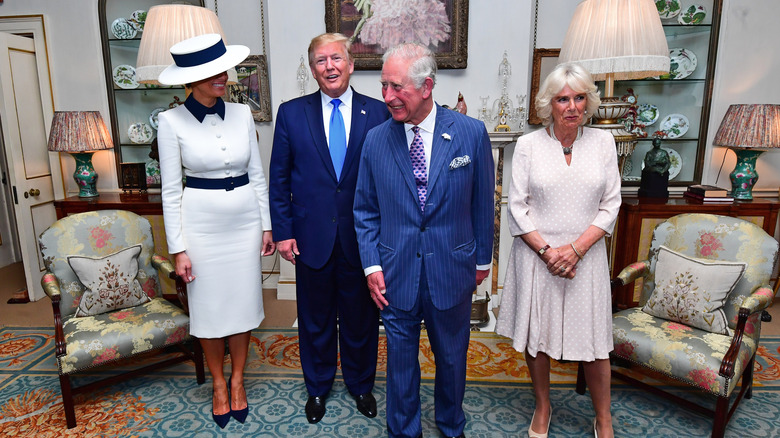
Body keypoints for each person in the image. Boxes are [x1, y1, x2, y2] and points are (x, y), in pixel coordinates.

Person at [354, 43, 495, 438]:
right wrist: (372, 265)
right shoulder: (376, 140)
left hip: (452, 267)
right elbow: (364, 210)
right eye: (384, 86)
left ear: (427, 86)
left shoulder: (470, 134)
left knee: (451, 359)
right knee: (400, 362)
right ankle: (404, 430)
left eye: (397, 87)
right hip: (395, 270)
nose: (387, 97)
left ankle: (451, 426)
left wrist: (482, 260)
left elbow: (483, 202)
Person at [494, 62, 621, 438]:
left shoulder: (604, 143)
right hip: (539, 258)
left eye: (579, 98)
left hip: (587, 256)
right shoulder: (529, 145)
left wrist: (576, 249)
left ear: (589, 102)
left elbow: (611, 203)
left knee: (597, 345)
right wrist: (550, 252)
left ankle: (604, 417)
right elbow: (517, 205)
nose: (571, 106)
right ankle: (543, 406)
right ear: (549, 103)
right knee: (539, 337)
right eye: (563, 99)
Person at [268, 33, 389, 424]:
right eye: (320, 61)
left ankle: (360, 385)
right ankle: (317, 388)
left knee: (361, 318)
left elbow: (389, 180)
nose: (330, 67)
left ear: (351, 64)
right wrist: (283, 231)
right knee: (315, 318)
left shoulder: (380, 113)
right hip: (310, 238)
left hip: (362, 239)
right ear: (312, 69)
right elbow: (279, 178)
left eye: (336, 58)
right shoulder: (291, 113)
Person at [157, 33, 275, 429]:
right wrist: (179, 249)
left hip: (244, 222)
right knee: (209, 308)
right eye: (212, 73)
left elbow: (257, 176)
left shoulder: (242, 114)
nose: (223, 76)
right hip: (201, 226)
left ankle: (239, 379)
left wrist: (266, 225)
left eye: (223, 69)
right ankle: (219, 384)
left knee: (241, 305)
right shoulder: (169, 121)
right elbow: (171, 191)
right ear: (190, 80)